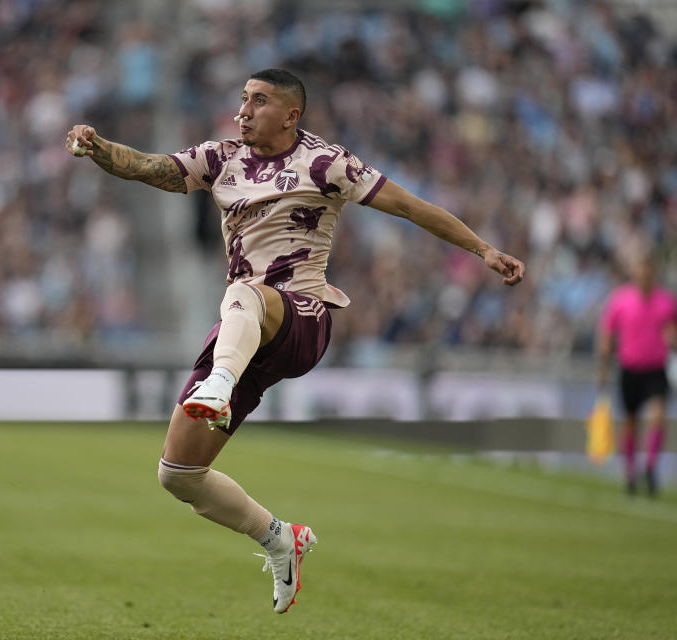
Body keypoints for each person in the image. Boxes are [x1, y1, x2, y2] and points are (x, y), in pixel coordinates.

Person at [65, 68, 525, 613]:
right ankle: (280, 539)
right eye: (242, 99)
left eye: (258, 101)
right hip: (243, 333)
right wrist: (98, 148)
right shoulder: (222, 159)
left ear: (290, 115)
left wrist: (483, 251)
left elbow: (409, 206)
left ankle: (218, 383)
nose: (243, 110)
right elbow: (153, 169)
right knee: (179, 475)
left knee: (246, 292)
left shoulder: (327, 163)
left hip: (300, 317)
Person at [597, 253, 675, 496]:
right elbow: (607, 336)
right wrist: (603, 367)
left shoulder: (666, 301)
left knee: (658, 417)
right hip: (630, 369)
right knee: (631, 423)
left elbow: (672, 329)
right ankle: (630, 473)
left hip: (655, 369)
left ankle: (650, 467)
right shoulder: (620, 300)